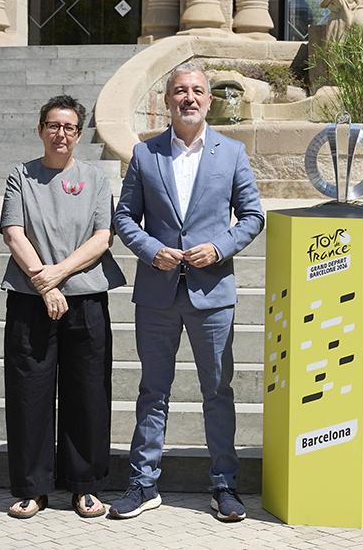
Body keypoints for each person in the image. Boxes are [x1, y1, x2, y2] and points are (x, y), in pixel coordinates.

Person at [110, 62, 264, 522]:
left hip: (211, 293)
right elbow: (123, 218)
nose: (189, 98)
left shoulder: (231, 153)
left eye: (197, 91)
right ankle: (143, 484)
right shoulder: (144, 154)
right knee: (153, 390)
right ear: (166, 100)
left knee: (217, 391)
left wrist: (219, 247)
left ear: (209, 100)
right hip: (157, 293)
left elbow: (254, 216)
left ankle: (223, 486)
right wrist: (152, 250)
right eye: (180, 91)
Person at [0, 95, 126, 520]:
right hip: (29, 301)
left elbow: (101, 237)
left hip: (86, 298)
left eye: (70, 127)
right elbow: (14, 233)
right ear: (40, 129)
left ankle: (85, 486)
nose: (61, 134)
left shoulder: (94, 179)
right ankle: (32, 488)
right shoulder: (22, 175)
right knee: (29, 395)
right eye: (53, 125)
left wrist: (59, 276)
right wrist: (44, 283)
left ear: (78, 134)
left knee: (88, 394)